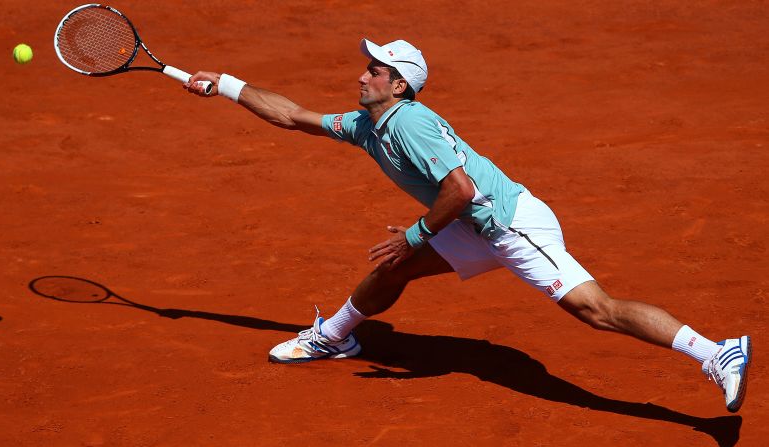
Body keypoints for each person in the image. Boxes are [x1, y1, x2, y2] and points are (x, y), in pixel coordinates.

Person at [184, 39, 751, 413]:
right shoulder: (368, 123)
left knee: (594, 309)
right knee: (392, 269)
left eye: (375, 70)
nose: (362, 75)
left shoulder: (410, 126)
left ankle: (714, 352)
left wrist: (414, 233)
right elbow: (293, 115)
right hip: (475, 226)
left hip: (507, 225)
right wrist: (227, 85)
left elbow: (462, 190)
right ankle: (334, 337)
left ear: (399, 85)